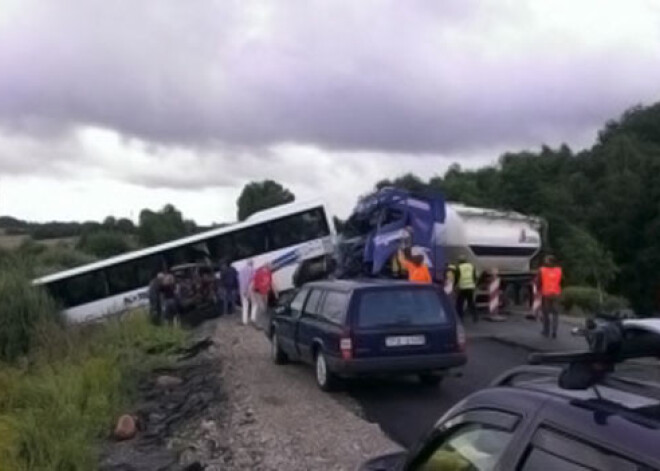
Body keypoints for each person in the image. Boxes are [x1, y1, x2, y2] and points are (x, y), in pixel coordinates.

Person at [539, 255, 563, 338]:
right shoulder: (559, 270)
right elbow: (561, 281)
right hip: (556, 294)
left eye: (546, 260)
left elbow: (539, 281)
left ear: (549, 262)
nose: (545, 262)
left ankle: (546, 331)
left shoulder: (543, 270)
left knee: (546, 313)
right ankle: (554, 331)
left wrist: (539, 290)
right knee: (555, 314)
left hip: (546, 294)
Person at [251, 263, 276, 328]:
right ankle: (257, 323)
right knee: (261, 308)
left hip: (265, 292)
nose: (271, 268)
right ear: (266, 267)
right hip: (258, 292)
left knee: (264, 308)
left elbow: (270, 283)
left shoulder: (269, 273)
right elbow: (254, 283)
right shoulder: (259, 273)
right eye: (270, 267)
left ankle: (261, 322)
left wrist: (273, 291)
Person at [455, 255, 478, 322]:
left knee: (459, 303)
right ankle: (475, 316)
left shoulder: (459, 267)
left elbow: (457, 278)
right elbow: (474, 277)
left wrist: (455, 286)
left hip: (463, 287)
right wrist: (474, 284)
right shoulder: (471, 266)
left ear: (459, 261)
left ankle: (460, 317)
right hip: (470, 287)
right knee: (471, 302)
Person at [238, 259, 255, 325]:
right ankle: (253, 318)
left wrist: (243, 290)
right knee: (254, 304)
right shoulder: (253, 270)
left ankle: (244, 321)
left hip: (242, 290)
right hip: (250, 290)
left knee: (245, 305)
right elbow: (252, 281)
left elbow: (239, 281)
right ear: (251, 263)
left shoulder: (241, 271)